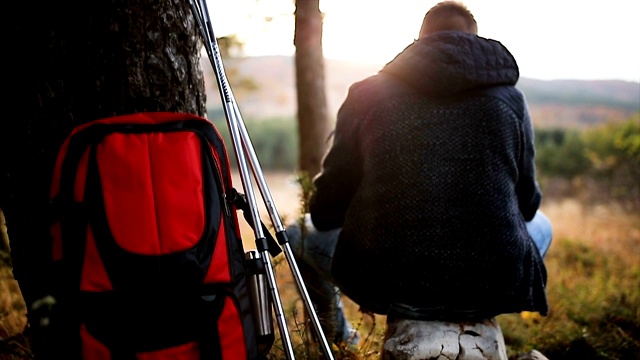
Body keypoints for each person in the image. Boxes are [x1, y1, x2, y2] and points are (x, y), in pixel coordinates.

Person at [286, 0, 553, 347]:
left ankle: (339, 340)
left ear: (420, 40)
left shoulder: (367, 94)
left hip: (388, 281)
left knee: (296, 236)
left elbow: (325, 213)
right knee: (543, 224)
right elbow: (528, 205)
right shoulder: (510, 99)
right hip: (491, 282)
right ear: (474, 40)